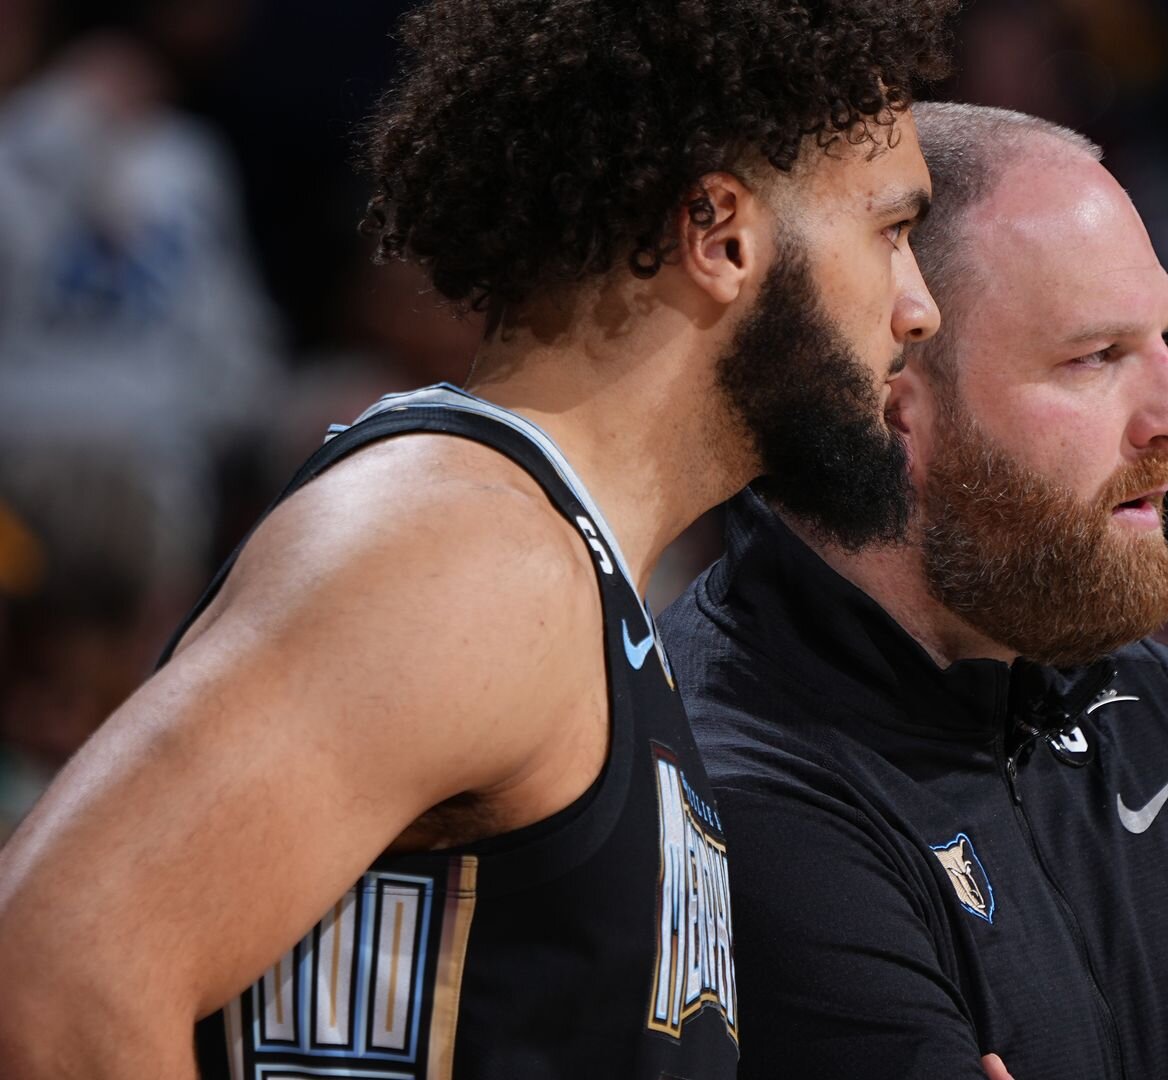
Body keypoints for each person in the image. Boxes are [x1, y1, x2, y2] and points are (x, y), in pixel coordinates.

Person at [0, 0, 953, 1074]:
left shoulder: (560, 572)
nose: (918, 306)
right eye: (892, 229)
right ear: (720, 234)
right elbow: (56, 971)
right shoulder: (466, 544)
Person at [662, 102, 1168, 1079]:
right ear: (889, 402)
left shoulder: (1166, 713)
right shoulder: (738, 787)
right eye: (1097, 358)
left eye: (1163, 341)